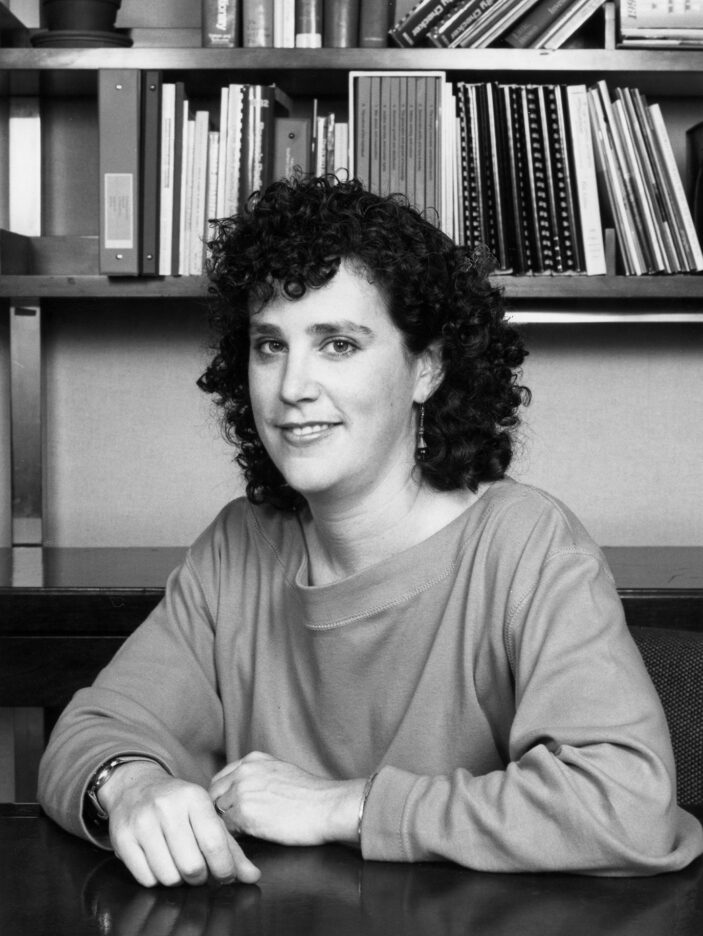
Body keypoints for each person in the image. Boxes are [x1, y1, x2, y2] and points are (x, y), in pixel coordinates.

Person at [39, 175, 702, 887]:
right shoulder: (239, 545)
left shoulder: (524, 544)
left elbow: (624, 807)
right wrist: (131, 787)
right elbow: (90, 732)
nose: (291, 386)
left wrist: (342, 808)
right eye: (270, 345)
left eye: (338, 344)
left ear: (426, 367)